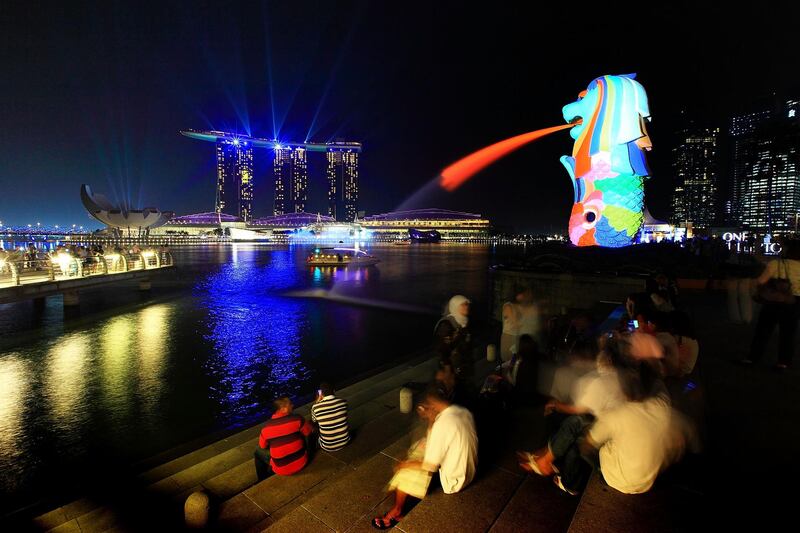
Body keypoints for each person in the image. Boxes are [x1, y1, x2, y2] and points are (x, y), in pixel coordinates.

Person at [372, 383, 478, 530]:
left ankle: (397, 511)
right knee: (422, 445)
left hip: (454, 481)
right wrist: (431, 419)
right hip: (470, 470)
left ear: (433, 404)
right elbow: (434, 437)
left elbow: (429, 465)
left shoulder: (442, 425)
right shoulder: (461, 411)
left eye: (427, 404)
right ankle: (401, 503)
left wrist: (403, 465)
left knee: (407, 469)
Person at [743, 239, 800, 370]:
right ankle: (783, 362)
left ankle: (753, 358)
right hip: (794, 302)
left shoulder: (776, 264)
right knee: (788, 334)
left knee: (763, 331)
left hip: (774, 300)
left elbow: (761, 281)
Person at [253, 397, 314, 480]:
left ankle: (262, 478)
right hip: (302, 462)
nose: (292, 405)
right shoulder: (297, 419)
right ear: (283, 409)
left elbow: (262, 446)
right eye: (290, 404)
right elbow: (309, 433)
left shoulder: (265, 428)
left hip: (281, 469)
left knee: (257, 451)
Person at [434, 295, 474, 380]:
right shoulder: (446, 324)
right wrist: (447, 369)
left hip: (463, 363)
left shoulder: (463, 321)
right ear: (455, 307)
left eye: (467, 304)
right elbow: (442, 349)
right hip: (451, 366)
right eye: (462, 305)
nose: (466, 307)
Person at [311, 382, 350, 452]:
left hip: (327, 446)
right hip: (345, 441)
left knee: (313, 423)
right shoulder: (344, 402)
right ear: (334, 391)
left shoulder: (315, 407)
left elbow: (314, 421)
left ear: (321, 394)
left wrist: (317, 402)